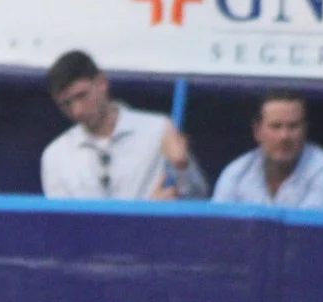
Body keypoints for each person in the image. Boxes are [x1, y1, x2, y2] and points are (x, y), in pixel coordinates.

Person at [40, 50, 204, 200]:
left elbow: (198, 201)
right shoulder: (55, 156)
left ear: (102, 83)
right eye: (66, 104)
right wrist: (147, 213)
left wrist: (182, 168)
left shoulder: (158, 130)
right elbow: (64, 227)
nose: (77, 111)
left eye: (82, 96)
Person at [213, 91, 323, 209]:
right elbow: (216, 227)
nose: (284, 136)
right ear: (257, 131)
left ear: (305, 130)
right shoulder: (237, 173)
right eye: (275, 126)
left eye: (293, 126)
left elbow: (310, 231)